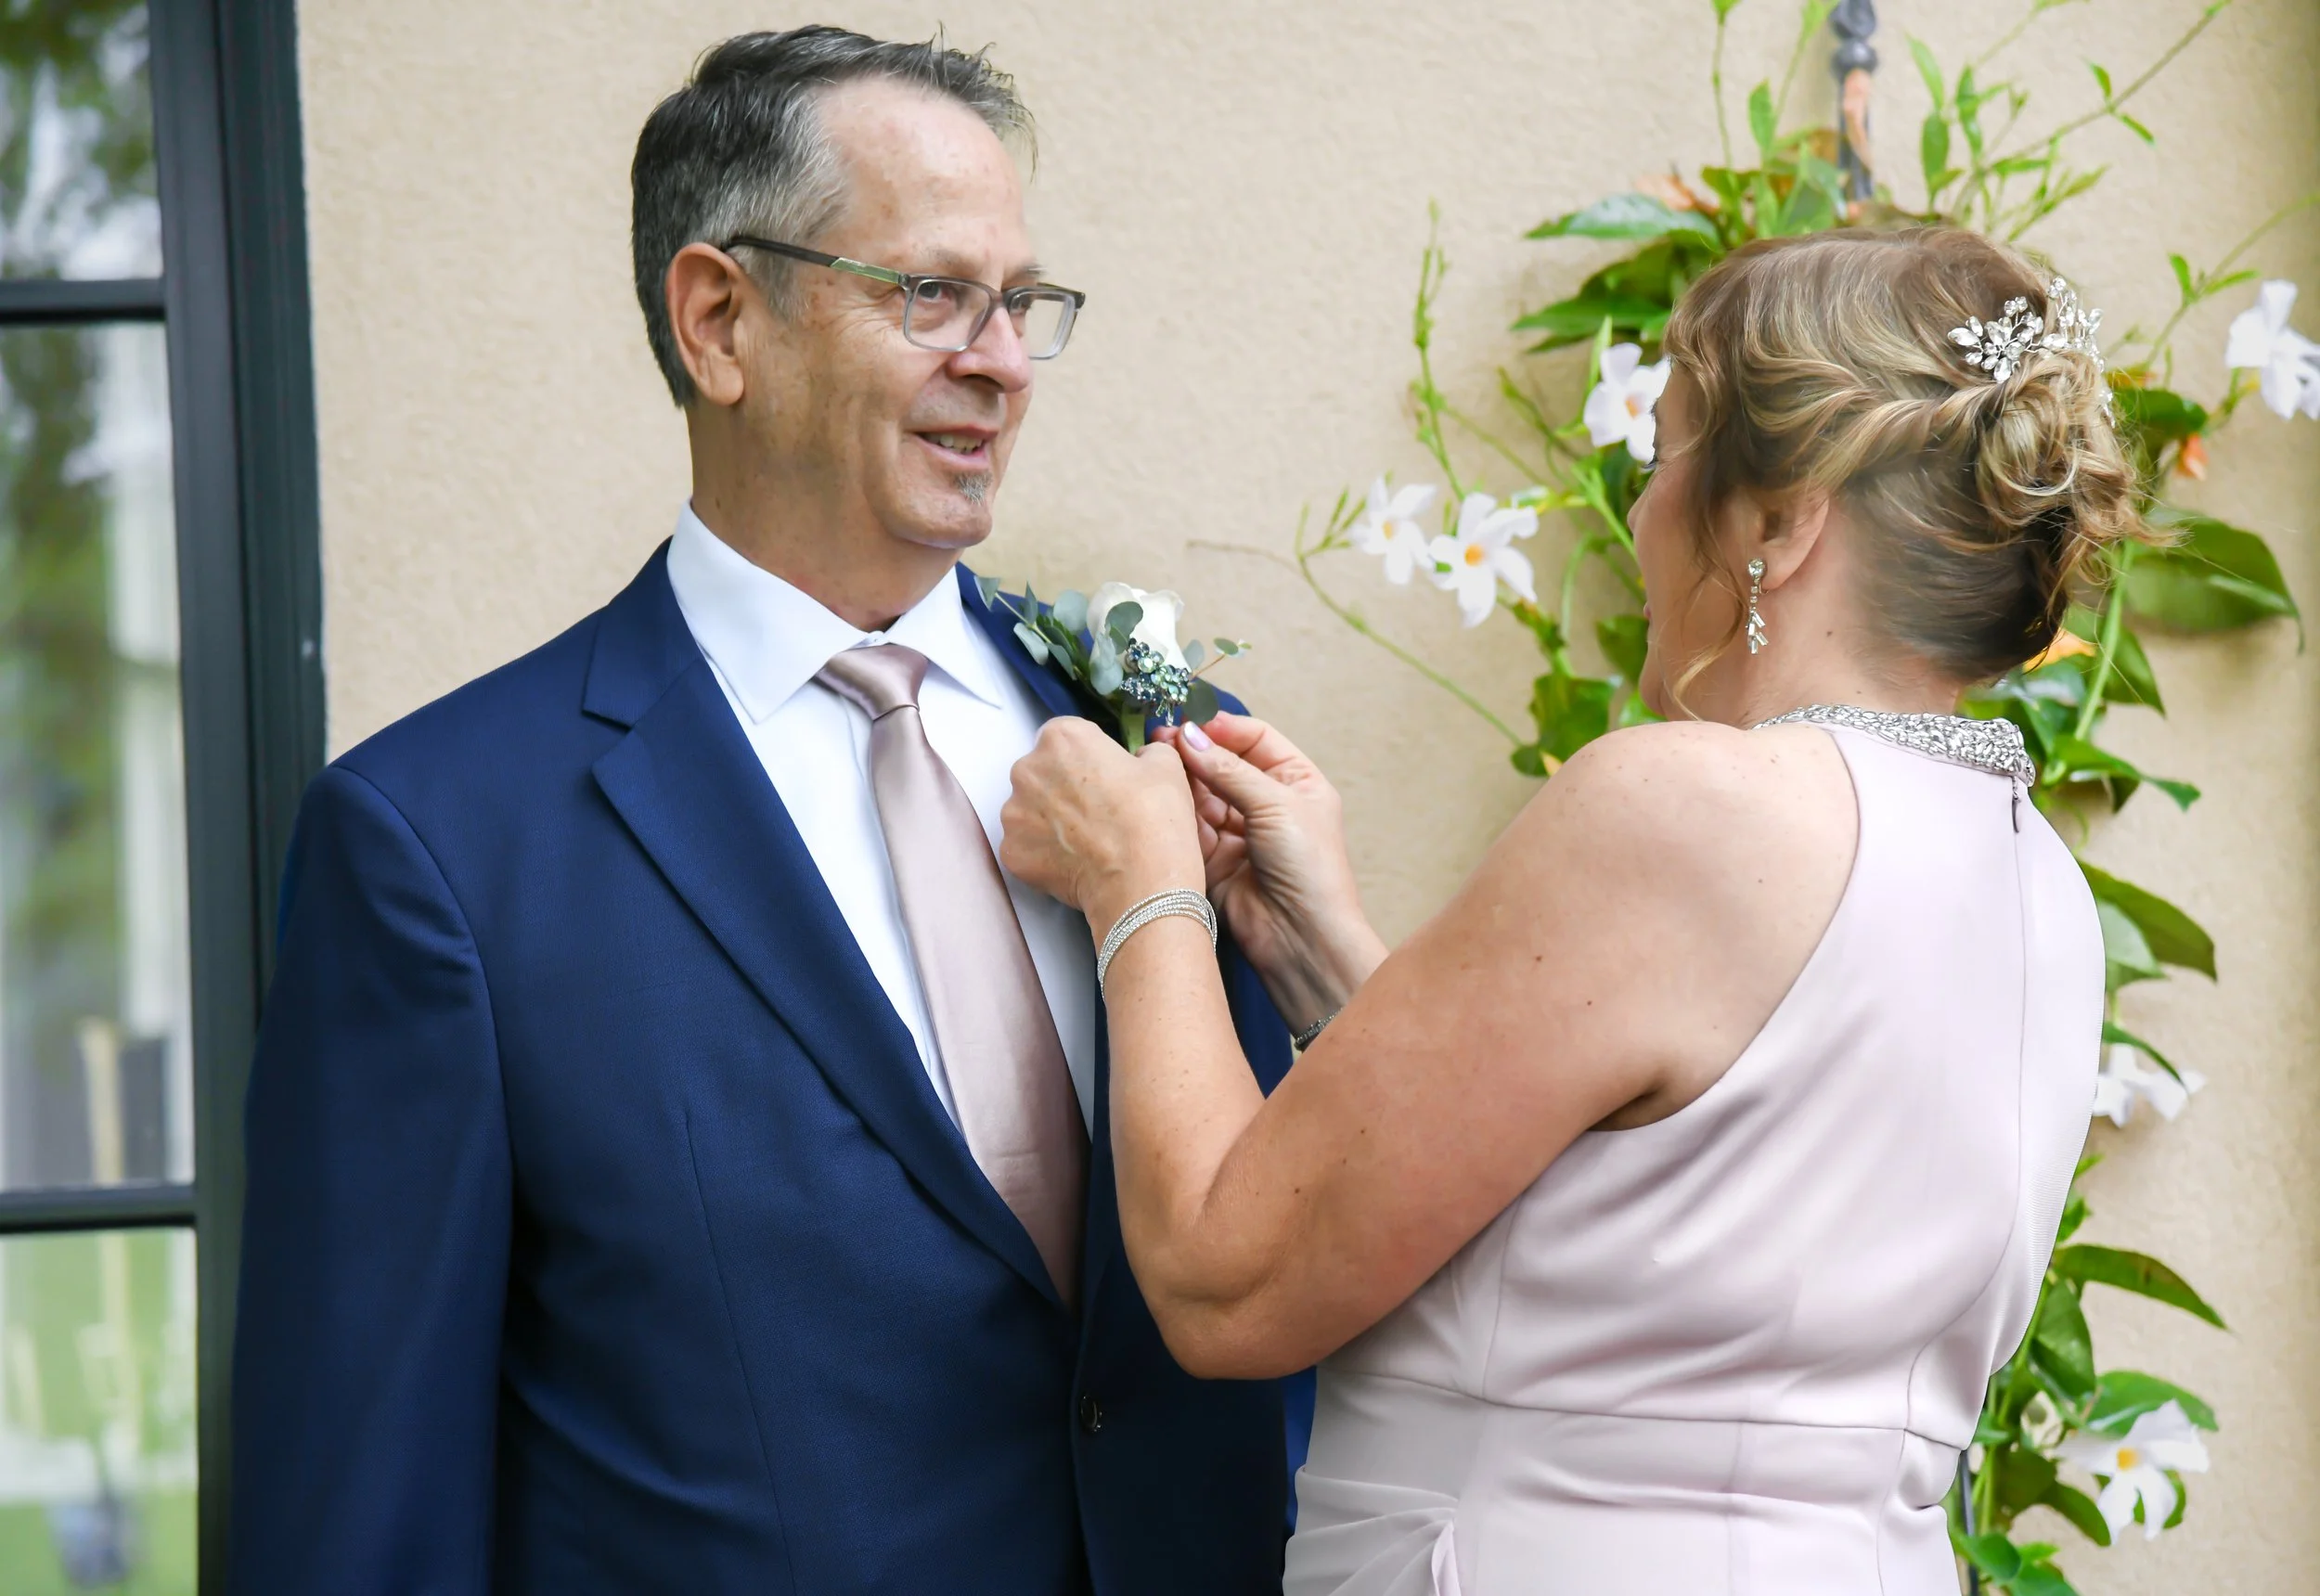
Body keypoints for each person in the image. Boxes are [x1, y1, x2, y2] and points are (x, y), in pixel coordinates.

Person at [228, 28, 1296, 1596]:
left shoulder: (1160, 751)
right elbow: (362, 1515)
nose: (1001, 360)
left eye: (1021, 304)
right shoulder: (439, 849)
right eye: (932, 295)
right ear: (719, 318)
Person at [999, 226, 2123, 1595]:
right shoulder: (2037, 885)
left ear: (1780, 519)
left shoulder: (1686, 808)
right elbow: (1639, 1236)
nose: (1639, 515)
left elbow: (1226, 1283)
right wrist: (1317, 952)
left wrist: (1144, 892)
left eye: (1663, 456)